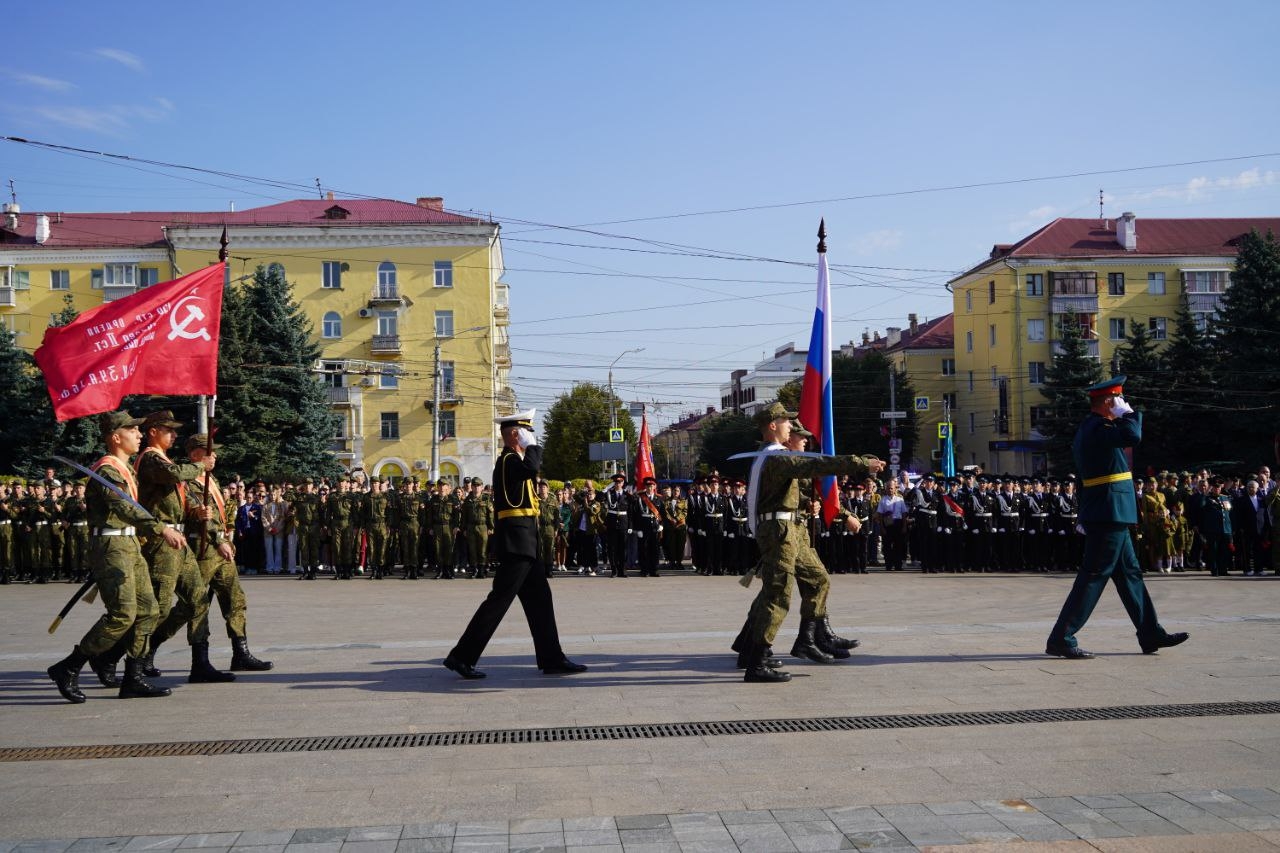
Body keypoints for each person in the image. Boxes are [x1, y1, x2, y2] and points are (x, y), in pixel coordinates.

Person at [1045, 376, 1189, 660]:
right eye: (1119, 400)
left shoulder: (1097, 428)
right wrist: (1131, 415)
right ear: (1110, 402)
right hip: (1108, 511)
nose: (1123, 405)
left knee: (1130, 575)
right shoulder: (1097, 428)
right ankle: (1061, 637)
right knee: (1094, 576)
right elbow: (1133, 436)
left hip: (1112, 511)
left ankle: (1150, 633)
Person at [738, 402, 883, 683]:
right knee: (777, 593)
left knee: (817, 578)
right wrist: (861, 463)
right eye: (786, 422)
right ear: (772, 425)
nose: (791, 427)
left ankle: (807, 638)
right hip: (780, 530)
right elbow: (816, 464)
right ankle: (756, 661)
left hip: (787, 527)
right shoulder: (776, 458)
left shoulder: (772, 457)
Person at [47, 411, 185, 703]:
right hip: (112, 549)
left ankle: (132, 677)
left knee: (149, 611)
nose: (138, 434)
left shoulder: (124, 470)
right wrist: (161, 529)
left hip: (130, 545)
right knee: (122, 614)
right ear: (115, 437)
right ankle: (69, 667)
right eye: (132, 430)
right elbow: (125, 509)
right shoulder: (107, 471)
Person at [443, 410, 587, 679]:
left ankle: (552, 658)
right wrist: (533, 446)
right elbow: (532, 468)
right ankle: (461, 657)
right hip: (516, 545)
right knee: (498, 601)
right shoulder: (509, 460)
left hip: (526, 544)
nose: (529, 437)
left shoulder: (515, 461)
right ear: (514, 435)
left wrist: (529, 447)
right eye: (525, 432)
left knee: (541, 601)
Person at [135, 411, 235, 684]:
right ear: (153, 431)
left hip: (177, 541)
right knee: (160, 607)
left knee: (197, 600)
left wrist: (195, 512)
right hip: (161, 541)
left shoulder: (163, 459)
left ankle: (200, 664)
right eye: (169, 430)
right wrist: (202, 465)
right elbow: (173, 476)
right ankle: (123, 657)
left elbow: (176, 500)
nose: (175, 435)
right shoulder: (150, 459)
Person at [183, 435, 273, 672]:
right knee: (196, 606)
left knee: (235, 600)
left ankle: (240, 653)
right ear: (194, 455)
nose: (214, 457)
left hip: (220, 549)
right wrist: (218, 539)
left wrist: (223, 539)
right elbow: (200, 515)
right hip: (202, 550)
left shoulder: (209, 479)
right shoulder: (189, 481)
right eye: (208, 452)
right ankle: (198, 660)